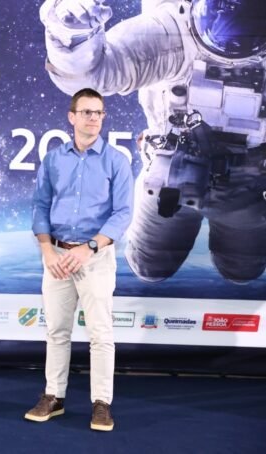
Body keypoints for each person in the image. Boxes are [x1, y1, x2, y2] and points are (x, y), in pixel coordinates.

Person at [38, 0, 266, 283]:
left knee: (242, 271)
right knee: (149, 266)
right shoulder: (171, 32)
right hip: (172, 175)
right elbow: (92, 76)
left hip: (244, 179)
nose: (231, 36)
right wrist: (72, 33)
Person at [26, 88, 133, 431]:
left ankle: (101, 403)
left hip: (95, 258)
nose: (93, 118)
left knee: (100, 333)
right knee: (57, 331)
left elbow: (122, 213)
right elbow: (40, 207)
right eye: (86, 112)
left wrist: (88, 248)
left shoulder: (116, 161)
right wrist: (47, 251)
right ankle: (53, 396)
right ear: (72, 117)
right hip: (57, 257)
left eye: (98, 113)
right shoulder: (53, 160)